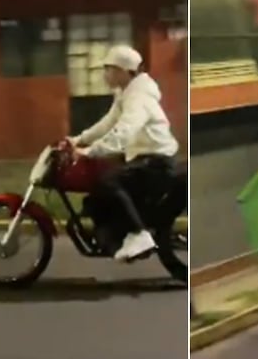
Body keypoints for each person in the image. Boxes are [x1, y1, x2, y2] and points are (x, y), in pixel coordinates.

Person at [70, 45, 179, 262]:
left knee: (108, 181)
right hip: (143, 158)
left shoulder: (139, 96)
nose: (105, 74)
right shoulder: (125, 93)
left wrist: (89, 152)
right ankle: (113, 234)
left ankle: (139, 234)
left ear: (124, 71)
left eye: (109, 69)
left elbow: (124, 132)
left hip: (156, 161)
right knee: (99, 191)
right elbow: (108, 123)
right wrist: (78, 140)